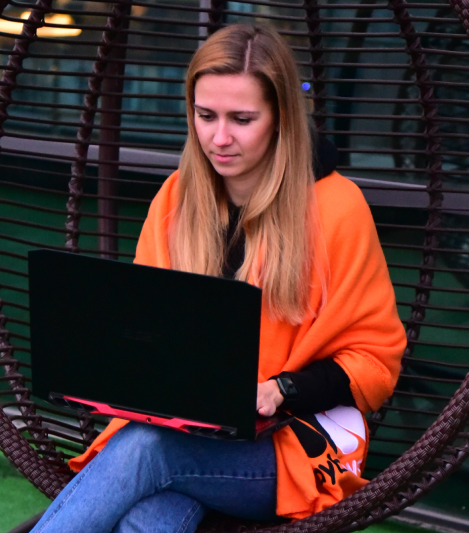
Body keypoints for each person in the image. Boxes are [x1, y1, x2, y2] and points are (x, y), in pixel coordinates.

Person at [30, 23, 406, 533]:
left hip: (292, 446)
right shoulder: (176, 196)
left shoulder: (338, 209)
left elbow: (375, 363)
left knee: (148, 450)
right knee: (148, 519)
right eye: (205, 116)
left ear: (281, 120)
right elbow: (141, 327)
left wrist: (282, 389)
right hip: (185, 430)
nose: (219, 137)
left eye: (242, 119)